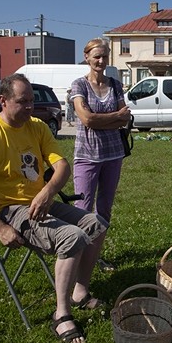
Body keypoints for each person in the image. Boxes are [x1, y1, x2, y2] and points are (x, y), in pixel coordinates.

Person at [0, 74, 109, 343]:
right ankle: (61, 315)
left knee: (96, 224)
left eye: (32, 101)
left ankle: (80, 292)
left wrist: (47, 191)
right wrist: (0, 227)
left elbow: (62, 166)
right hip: (7, 210)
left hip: (39, 201)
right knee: (72, 237)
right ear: (3, 101)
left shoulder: (36, 126)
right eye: (22, 101)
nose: (29, 107)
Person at [71, 37, 131, 273]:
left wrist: (100, 121)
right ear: (87, 57)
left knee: (104, 210)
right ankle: (76, 259)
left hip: (113, 155)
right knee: (82, 210)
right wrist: (112, 119)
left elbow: (124, 117)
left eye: (104, 56)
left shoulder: (115, 84)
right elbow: (86, 119)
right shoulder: (79, 85)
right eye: (96, 56)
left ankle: (94, 257)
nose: (101, 60)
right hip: (87, 156)